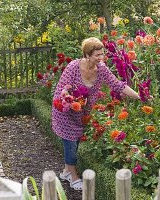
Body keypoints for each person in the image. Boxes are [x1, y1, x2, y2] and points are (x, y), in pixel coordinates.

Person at [51, 37, 140, 191]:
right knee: (70, 142)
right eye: (97, 55)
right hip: (65, 111)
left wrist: (138, 96)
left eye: (102, 54)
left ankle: (66, 171)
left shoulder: (102, 69)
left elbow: (117, 85)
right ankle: (73, 176)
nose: (101, 58)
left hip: (81, 113)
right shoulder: (74, 67)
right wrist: (69, 101)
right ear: (87, 54)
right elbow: (61, 91)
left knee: (75, 141)